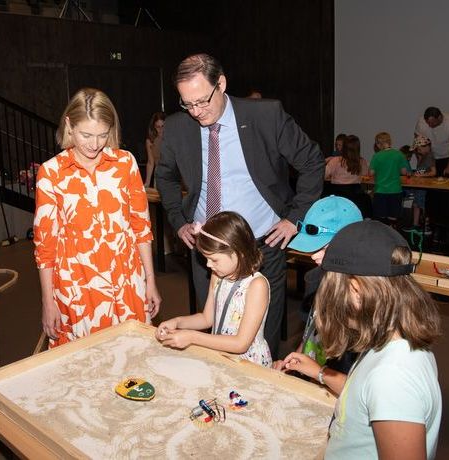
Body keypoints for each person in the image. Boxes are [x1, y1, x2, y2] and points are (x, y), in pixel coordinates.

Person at [155, 53, 324, 359]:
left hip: (264, 243)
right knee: (212, 328)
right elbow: (164, 177)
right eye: (187, 104)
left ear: (221, 83)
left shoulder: (265, 115)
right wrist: (178, 220)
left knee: (262, 334)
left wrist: (294, 218)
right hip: (207, 247)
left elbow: (312, 162)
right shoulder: (178, 127)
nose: (196, 111)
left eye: (202, 101)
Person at [278, 220, 442, 459]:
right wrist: (321, 372)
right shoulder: (389, 340)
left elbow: (383, 389)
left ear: (356, 291)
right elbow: (364, 396)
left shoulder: (394, 378)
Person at [34, 87, 161, 348]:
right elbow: (45, 247)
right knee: (87, 366)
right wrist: (48, 301)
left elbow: (141, 227)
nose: (94, 144)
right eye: (86, 135)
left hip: (127, 281)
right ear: (69, 125)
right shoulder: (51, 173)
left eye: (103, 135)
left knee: (135, 357)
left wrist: (150, 281)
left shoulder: (125, 163)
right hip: (78, 286)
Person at [155, 211, 272, 367]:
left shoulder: (256, 286)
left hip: (248, 363)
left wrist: (191, 337)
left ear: (240, 253)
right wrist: (177, 322)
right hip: (220, 355)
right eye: (206, 259)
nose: (209, 265)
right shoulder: (218, 275)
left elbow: (241, 343)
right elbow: (207, 319)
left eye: (214, 259)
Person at [283, 195, 363, 374]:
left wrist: (320, 375)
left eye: (324, 248)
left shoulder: (361, 298)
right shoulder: (317, 279)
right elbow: (310, 332)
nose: (313, 256)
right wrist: (295, 361)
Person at [369, 131, 410, 226]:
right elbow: (404, 172)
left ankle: (382, 237)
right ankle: (393, 236)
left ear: (378, 144)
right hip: (395, 191)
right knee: (393, 217)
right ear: (389, 142)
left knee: (381, 219)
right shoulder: (399, 155)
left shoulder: (377, 156)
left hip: (380, 191)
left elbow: (371, 173)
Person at [414, 106, 449, 176]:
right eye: (427, 123)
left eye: (432, 123)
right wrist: (420, 162)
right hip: (428, 156)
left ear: (439, 117)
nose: (429, 125)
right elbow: (417, 144)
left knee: (443, 182)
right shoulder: (421, 123)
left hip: (446, 156)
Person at [405, 135, 436, 230]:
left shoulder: (430, 156)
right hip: (419, 186)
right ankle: (415, 224)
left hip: (424, 187)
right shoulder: (423, 156)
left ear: (426, 147)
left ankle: (427, 226)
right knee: (416, 204)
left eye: (418, 149)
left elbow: (433, 172)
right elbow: (421, 170)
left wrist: (420, 176)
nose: (417, 151)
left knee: (422, 205)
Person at [144, 111, 166, 188]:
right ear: (154, 127)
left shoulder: (172, 138)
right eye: (158, 127)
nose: (161, 129)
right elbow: (150, 162)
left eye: (163, 126)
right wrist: (147, 182)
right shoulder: (150, 140)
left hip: (173, 175)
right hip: (159, 175)